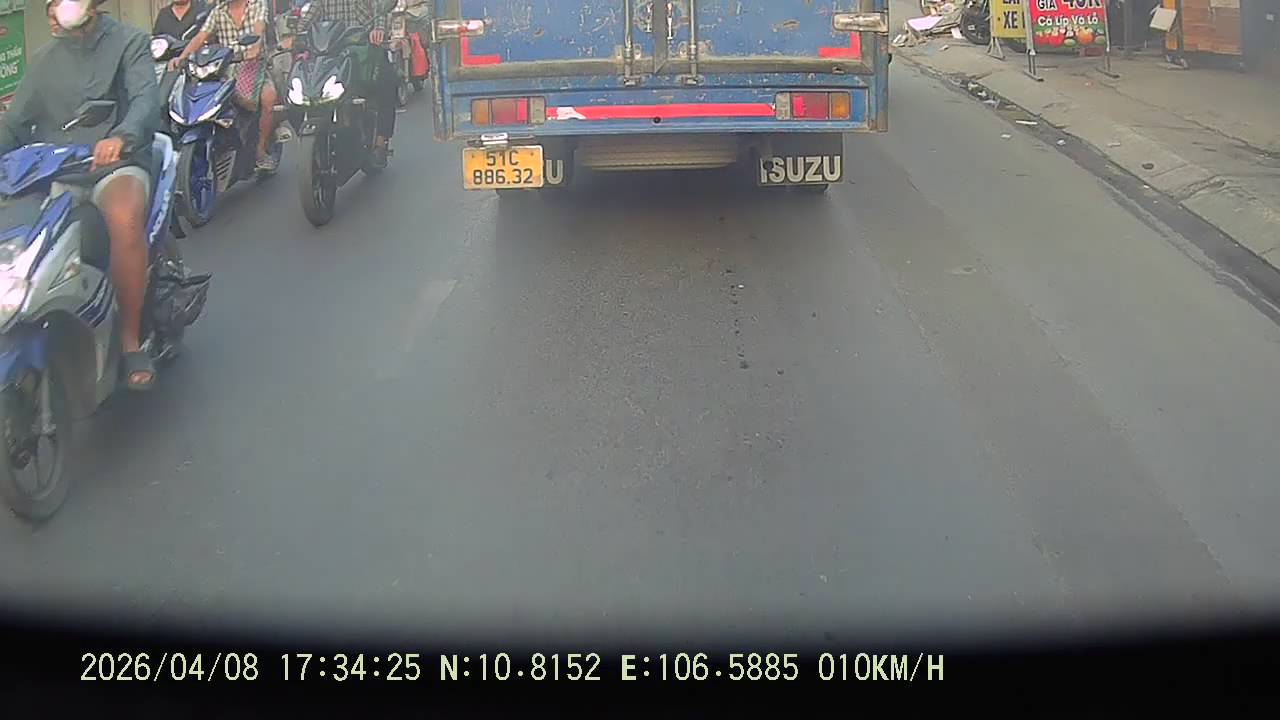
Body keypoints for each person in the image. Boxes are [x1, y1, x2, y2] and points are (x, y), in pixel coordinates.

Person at [0, 0, 160, 391]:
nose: (56, 9)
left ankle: (130, 340)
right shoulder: (43, 60)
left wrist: (122, 136)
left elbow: (144, 100)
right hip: (55, 169)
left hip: (115, 164)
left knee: (123, 217)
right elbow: (15, 124)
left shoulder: (129, 42)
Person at [170, 0, 283, 172]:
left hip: (254, 65)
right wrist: (181, 58)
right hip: (224, 68)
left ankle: (260, 150)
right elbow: (201, 36)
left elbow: (258, 28)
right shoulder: (218, 11)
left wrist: (254, 47)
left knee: (269, 97)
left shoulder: (257, 5)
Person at [286, 0, 396, 168]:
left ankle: (381, 142)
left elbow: (378, 8)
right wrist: (295, 35)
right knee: (298, 92)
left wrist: (378, 29)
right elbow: (310, 16)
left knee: (388, 81)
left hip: (363, 47)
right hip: (330, 52)